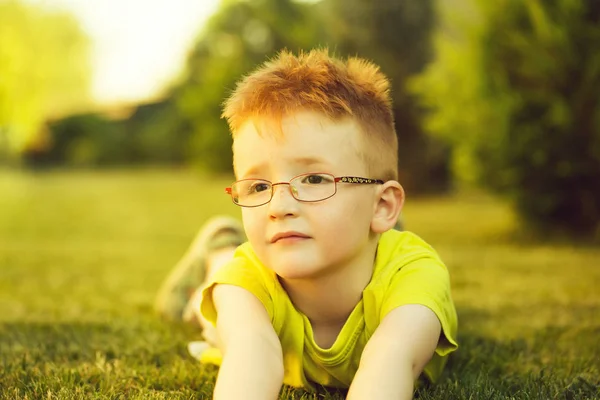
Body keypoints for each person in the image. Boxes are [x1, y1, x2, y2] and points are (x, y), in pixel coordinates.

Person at [156, 48, 458, 400]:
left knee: (374, 237)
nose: (278, 206)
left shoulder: (416, 277)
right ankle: (220, 246)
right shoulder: (246, 282)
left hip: (378, 240)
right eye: (258, 186)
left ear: (383, 205)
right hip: (252, 276)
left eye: (314, 179)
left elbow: (390, 358)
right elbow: (253, 354)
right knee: (212, 307)